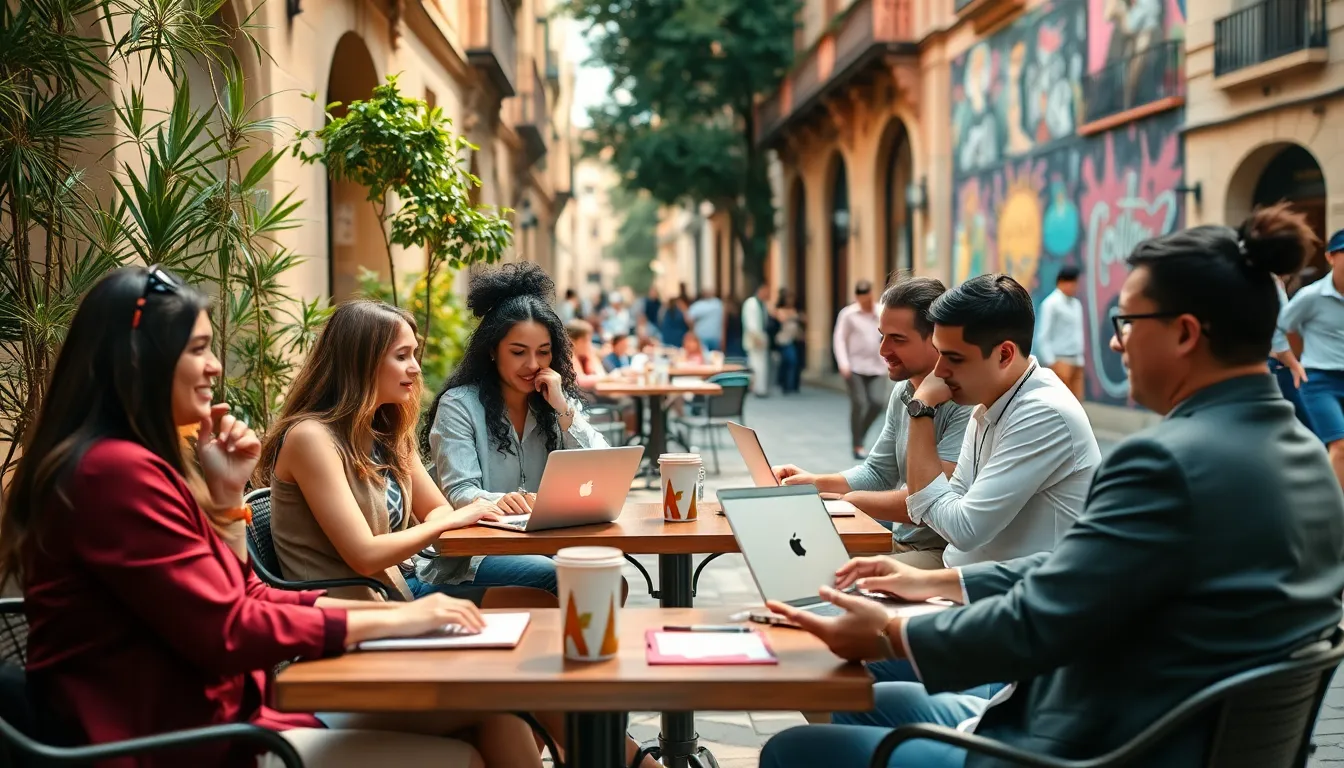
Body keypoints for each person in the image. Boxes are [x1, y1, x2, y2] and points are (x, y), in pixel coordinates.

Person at [759, 205, 1344, 768]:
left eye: (1126, 323)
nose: (1116, 344)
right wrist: (936, 581)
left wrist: (889, 632)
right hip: (1153, 734)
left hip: (1088, 745)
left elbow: (1040, 618)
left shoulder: (1166, 463)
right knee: (860, 700)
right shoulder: (1306, 457)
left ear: (1185, 333)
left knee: (794, 749)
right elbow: (1081, 572)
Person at [5, 266, 541, 767]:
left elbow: (237, 596)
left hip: (227, 719)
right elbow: (227, 628)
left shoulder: (139, 465)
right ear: (139, 361)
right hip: (182, 741)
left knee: (499, 710)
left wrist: (225, 498)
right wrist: (399, 618)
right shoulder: (113, 474)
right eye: (198, 350)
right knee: (475, 739)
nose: (215, 365)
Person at [258, 300, 558, 603]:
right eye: (402, 356)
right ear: (360, 362)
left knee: (547, 579)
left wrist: (445, 518)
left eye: (413, 354)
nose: (415, 367)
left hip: (398, 588)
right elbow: (365, 554)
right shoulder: (311, 438)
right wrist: (449, 521)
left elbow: (437, 508)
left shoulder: (388, 432)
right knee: (534, 593)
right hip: (349, 608)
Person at [773, 278, 972, 568]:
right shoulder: (904, 391)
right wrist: (814, 482)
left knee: (827, 571)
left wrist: (847, 501)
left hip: (943, 554)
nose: (882, 350)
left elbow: (932, 499)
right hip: (901, 541)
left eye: (897, 339)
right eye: (882, 336)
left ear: (935, 339)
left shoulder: (964, 402)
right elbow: (878, 472)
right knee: (793, 555)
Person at [904, 274, 1100, 566]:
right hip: (965, 576)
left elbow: (962, 528)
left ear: (1004, 354)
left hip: (1018, 597)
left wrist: (921, 407)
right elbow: (945, 501)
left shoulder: (1044, 413)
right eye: (938, 354)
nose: (939, 371)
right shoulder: (989, 400)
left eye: (954, 358)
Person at [426, 263, 610, 520]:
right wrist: (507, 501)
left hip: (551, 541)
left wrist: (563, 410)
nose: (533, 364)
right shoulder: (459, 405)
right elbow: (460, 491)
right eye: (518, 352)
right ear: (492, 351)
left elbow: (605, 469)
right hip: (483, 551)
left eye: (543, 352)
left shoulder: (556, 402)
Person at [1276, 227, 1344, 489]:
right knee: (1339, 444)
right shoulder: (1311, 297)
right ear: (1330, 257)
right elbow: (1284, 328)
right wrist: (1295, 361)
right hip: (1320, 380)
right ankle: (1333, 509)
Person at [834, 280, 888, 459]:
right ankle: (857, 444)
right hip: (855, 367)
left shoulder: (881, 312)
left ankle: (860, 435)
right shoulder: (848, 314)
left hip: (878, 366)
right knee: (859, 402)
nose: (865, 301)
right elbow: (840, 339)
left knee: (877, 403)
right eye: (861, 298)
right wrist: (843, 363)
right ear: (857, 297)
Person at [1035, 264, 1085, 400]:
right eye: (1073, 283)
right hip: (1060, 361)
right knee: (1061, 403)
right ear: (1062, 282)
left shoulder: (1076, 304)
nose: (1076, 287)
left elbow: (1078, 333)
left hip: (1077, 361)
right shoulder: (1051, 304)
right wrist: (1052, 363)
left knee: (1077, 405)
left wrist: (1081, 360)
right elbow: (1043, 336)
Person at [743, 281, 772, 397]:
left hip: (761, 337)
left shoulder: (762, 304)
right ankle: (757, 388)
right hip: (755, 338)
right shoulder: (751, 303)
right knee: (756, 364)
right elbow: (751, 324)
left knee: (761, 364)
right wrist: (756, 338)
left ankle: (760, 388)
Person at [774, 288, 805, 394]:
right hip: (784, 340)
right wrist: (795, 317)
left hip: (795, 339)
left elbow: (804, 319)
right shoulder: (779, 309)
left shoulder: (795, 309)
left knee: (795, 362)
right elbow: (782, 318)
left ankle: (792, 385)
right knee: (791, 361)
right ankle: (787, 385)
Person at [568, 319, 606, 390]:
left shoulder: (585, 356)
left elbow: (601, 374)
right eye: (586, 340)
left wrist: (592, 357)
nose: (589, 345)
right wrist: (605, 378)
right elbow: (579, 381)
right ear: (572, 341)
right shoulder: (568, 356)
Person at [687, 288, 725, 352]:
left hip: (711, 337)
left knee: (714, 358)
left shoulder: (717, 304)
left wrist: (692, 329)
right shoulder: (717, 304)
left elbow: (688, 318)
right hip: (703, 337)